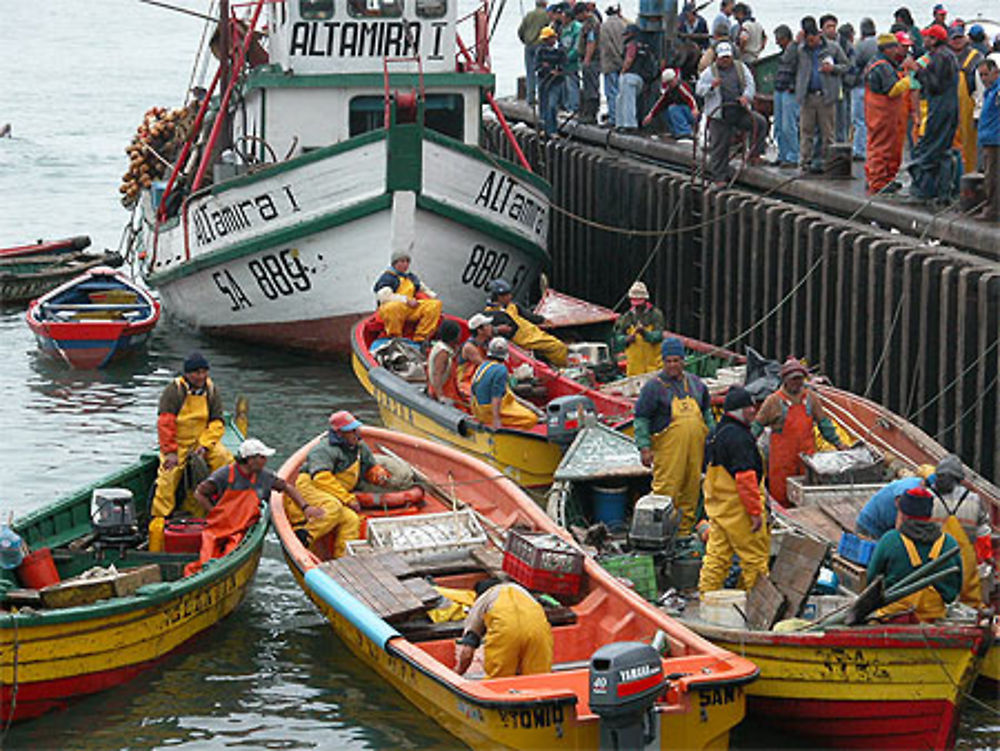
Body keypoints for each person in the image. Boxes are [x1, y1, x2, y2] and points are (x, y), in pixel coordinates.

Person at [185, 438, 319, 575]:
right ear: (250, 460)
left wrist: (305, 507)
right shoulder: (225, 475)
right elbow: (200, 493)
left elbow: (287, 487)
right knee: (206, 560)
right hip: (219, 527)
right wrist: (214, 512)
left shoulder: (265, 476)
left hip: (243, 529)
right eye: (262, 457)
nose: (265, 460)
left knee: (230, 555)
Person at [150, 351, 234, 551]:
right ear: (187, 373)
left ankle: (222, 509)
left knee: (224, 460)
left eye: (204, 371)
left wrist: (205, 445)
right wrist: (170, 451)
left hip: (201, 441)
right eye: (196, 372)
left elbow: (217, 422)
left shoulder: (212, 390)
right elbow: (166, 423)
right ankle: (159, 522)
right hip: (177, 444)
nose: (201, 376)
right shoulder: (174, 391)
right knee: (167, 479)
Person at [635, 337, 715, 534]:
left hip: (695, 451)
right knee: (665, 493)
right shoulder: (653, 388)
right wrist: (644, 447)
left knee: (691, 491)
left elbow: (707, 414)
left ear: (683, 361)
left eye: (676, 360)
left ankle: (683, 534)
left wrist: (714, 438)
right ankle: (659, 534)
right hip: (669, 452)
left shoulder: (696, 384)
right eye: (668, 361)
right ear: (663, 361)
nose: (672, 365)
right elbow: (641, 418)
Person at [286, 410, 388, 558]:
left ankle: (344, 559)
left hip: (334, 490)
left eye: (356, 429)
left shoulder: (360, 447)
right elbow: (321, 478)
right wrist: (347, 498)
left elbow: (369, 464)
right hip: (311, 486)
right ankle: (304, 538)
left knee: (351, 520)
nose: (356, 433)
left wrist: (376, 472)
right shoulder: (323, 450)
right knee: (332, 507)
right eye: (351, 431)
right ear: (340, 433)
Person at [698, 386, 770, 593]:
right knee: (754, 559)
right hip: (740, 511)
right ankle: (760, 607)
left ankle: (706, 597)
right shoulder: (740, 437)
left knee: (716, 558)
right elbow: (746, 478)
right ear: (740, 409)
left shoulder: (715, 434)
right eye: (750, 407)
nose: (754, 411)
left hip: (720, 511)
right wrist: (755, 513)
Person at [751, 357, 847, 505]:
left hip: (807, 460)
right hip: (782, 462)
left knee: (806, 495)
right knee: (781, 496)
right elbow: (757, 426)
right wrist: (748, 444)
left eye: (800, 379)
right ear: (785, 380)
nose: (798, 383)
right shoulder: (773, 401)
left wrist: (838, 444)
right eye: (794, 379)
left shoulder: (811, 398)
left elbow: (824, 424)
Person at [867, 486, 962, 623]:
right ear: (929, 514)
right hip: (934, 620)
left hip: (893, 619)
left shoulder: (890, 540)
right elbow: (955, 588)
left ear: (903, 514)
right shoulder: (949, 543)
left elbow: (872, 581)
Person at [926, 454, 993, 607]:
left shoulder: (928, 497)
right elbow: (983, 535)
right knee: (970, 601)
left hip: (933, 560)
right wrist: (986, 559)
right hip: (965, 561)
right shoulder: (974, 499)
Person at [696, 41, 766, 186]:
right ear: (717, 58)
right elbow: (699, 89)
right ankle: (719, 177)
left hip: (739, 110)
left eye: (727, 57)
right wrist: (711, 86)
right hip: (719, 114)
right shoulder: (710, 72)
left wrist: (746, 97)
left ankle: (754, 154)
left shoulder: (741, 68)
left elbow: (750, 84)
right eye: (722, 58)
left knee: (760, 123)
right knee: (720, 147)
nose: (725, 60)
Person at [454, 578, 553, 678]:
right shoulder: (524, 593)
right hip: (539, 631)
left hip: (506, 631)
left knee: (499, 682)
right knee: (539, 680)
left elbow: (467, 652)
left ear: (477, 596)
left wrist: (457, 673)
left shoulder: (482, 600)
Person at [907, 24, 959, 202]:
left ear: (934, 39)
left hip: (940, 108)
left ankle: (924, 189)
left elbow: (935, 85)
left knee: (929, 148)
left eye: (927, 37)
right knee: (944, 150)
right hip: (951, 108)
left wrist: (918, 70)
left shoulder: (938, 57)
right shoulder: (950, 55)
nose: (924, 40)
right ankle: (944, 193)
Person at [794, 16, 849, 173]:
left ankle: (828, 162)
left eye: (814, 40)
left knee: (828, 132)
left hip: (826, 96)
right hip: (808, 96)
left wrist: (833, 69)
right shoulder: (801, 49)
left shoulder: (833, 47)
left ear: (819, 36)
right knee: (806, 132)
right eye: (808, 41)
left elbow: (846, 65)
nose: (811, 44)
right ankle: (805, 162)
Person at [864, 33, 911, 194]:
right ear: (887, 49)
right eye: (894, 47)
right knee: (881, 147)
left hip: (885, 114)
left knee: (888, 146)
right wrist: (910, 78)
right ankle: (878, 182)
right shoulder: (882, 66)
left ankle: (885, 179)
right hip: (882, 114)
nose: (897, 50)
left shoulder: (879, 63)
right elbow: (892, 90)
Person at [484, 278, 568, 366]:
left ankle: (555, 364)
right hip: (524, 340)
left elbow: (530, 316)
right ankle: (562, 367)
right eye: (507, 295)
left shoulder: (513, 306)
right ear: (499, 297)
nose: (510, 297)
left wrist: (543, 320)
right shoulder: (490, 313)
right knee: (558, 347)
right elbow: (487, 331)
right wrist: (497, 329)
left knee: (556, 345)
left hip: (533, 333)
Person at [469, 337, 540, 430]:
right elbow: (496, 396)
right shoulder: (501, 370)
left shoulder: (483, 366)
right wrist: (496, 419)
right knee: (531, 419)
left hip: (478, 410)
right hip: (489, 412)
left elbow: (473, 390)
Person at [373, 250, 442, 344]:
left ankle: (421, 338)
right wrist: (405, 300)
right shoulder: (388, 277)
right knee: (392, 307)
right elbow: (384, 297)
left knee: (435, 305)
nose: (405, 264)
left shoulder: (411, 277)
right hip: (395, 308)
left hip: (410, 308)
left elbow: (424, 289)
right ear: (394, 263)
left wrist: (433, 296)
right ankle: (395, 337)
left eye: (407, 261)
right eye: (402, 261)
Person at [856, 463, 935, 539]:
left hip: (884, 526)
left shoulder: (918, 486)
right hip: (870, 525)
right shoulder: (909, 491)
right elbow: (900, 522)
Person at [949, 24, 983, 175]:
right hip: (949, 108)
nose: (957, 41)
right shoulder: (945, 56)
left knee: (970, 145)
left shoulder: (976, 57)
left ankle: (971, 175)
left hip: (969, 108)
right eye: (953, 38)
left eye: (959, 37)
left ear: (966, 38)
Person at [611, 281, 664, 375]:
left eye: (639, 301)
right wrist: (627, 339)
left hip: (653, 365)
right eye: (634, 301)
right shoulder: (627, 317)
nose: (637, 305)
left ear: (645, 299)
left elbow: (658, 336)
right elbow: (618, 337)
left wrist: (645, 334)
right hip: (634, 366)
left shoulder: (655, 315)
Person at [617, 24, 658, 133]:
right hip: (641, 78)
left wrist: (622, 71)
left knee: (625, 100)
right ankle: (629, 123)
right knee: (631, 100)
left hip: (630, 76)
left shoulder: (632, 44)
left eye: (626, 34)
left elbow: (629, 59)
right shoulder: (646, 45)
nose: (625, 36)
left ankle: (628, 124)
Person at [771, 24, 801, 167]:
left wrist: (793, 86)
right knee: (778, 125)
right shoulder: (785, 52)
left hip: (789, 91)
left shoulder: (795, 50)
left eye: (778, 39)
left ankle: (792, 156)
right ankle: (782, 154)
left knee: (788, 125)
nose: (776, 42)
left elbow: (800, 70)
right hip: (780, 89)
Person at [642, 68, 699, 138]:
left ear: (675, 78)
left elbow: (690, 98)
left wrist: (694, 108)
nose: (670, 84)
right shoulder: (669, 91)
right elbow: (660, 102)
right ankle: (675, 131)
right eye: (668, 83)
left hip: (692, 112)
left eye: (671, 81)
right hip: (684, 111)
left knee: (673, 108)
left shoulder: (682, 87)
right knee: (666, 110)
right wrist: (651, 115)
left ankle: (685, 132)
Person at [851, 18, 879, 160]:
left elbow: (854, 64)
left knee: (859, 120)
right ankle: (873, 149)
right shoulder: (880, 44)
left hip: (860, 86)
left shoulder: (861, 46)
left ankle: (859, 150)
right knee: (873, 120)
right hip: (876, 88)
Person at [977, 58, 1000, 221]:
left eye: (986, 74)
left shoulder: (997, 91)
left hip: (995, 140)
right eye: (981, 75)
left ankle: (993, 209)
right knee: (989, 175)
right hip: (988, 139)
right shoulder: (990, 91)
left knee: (993, 177)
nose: (984, 79)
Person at [599, 5, 628, 126]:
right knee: (621, 92)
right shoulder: (624, 24)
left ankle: (613, 119)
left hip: (610, 64)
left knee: (611, 92)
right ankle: (622, 118)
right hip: (623, 63)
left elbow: (607, 46)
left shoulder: (605, 26)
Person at [535, 26, 567, 136]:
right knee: (543, 106)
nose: (545, 42)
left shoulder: (561, 50)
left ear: (554, 38)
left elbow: (564, 65)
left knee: (552, 105)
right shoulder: (541, 50)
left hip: (556, 82)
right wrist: (548, 69)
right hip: (543, 81)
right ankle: (544, 129)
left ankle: (552, 130)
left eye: (547, 39)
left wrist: (558, 71)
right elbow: (537, 65)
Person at [519, 0, 551, 106]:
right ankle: (543, 97)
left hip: (529, 46)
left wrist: (525, 40)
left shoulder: (529, 15)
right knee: (542, 72)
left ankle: (530, 98)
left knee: (530, 72)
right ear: (545, 4)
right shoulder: (547, 15)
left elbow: (520, 30)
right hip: (542, 45)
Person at [457, 313, 494, 402]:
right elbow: (485, 366)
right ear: (480, 330)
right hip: (466, 382)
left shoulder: (485, 343)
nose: (491, 327)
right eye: (487, 325)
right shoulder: (470, 347)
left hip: (478, 379)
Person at [426, 319, 463, 406]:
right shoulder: (442, 353)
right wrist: (440, 396)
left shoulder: (445, 348)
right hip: (444, 392)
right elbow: (437, 374)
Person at [577, 3, 602, 124]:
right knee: (591, 86)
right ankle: (591, 113)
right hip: (592, 60)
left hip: (591, 61)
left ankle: (591, 114)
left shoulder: (590, 24)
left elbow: (591, 42)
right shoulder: (592, 22)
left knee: (591, 87)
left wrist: (587, 59)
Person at [559, 4, 583, 113]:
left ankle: (574, 107)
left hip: (573, 62)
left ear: (569, 18)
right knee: (565, 85)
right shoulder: (564, 28)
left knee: (572, 85)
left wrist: (568, 58)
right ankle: (567, 105)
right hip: (564, 62)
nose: (562, 20)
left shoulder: (577, 28)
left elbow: (577, 48)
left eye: (563, 17)